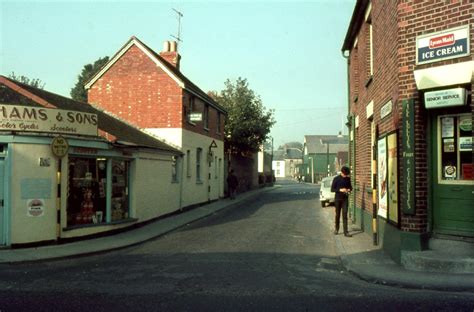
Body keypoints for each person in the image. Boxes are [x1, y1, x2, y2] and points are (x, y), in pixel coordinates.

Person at [331, 166, 353, 237]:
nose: (346, 176)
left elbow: (350, 187)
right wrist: (340, 190)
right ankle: (336, 229)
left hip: (345, 199)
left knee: (345, 215)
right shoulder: (336, 179)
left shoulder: (348, 179)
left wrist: (348, 190)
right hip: (337, 199)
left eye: (347, 174)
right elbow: (332, 189)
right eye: (345, 174)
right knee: (337, 215)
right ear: (341, 173)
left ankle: (346, 232)